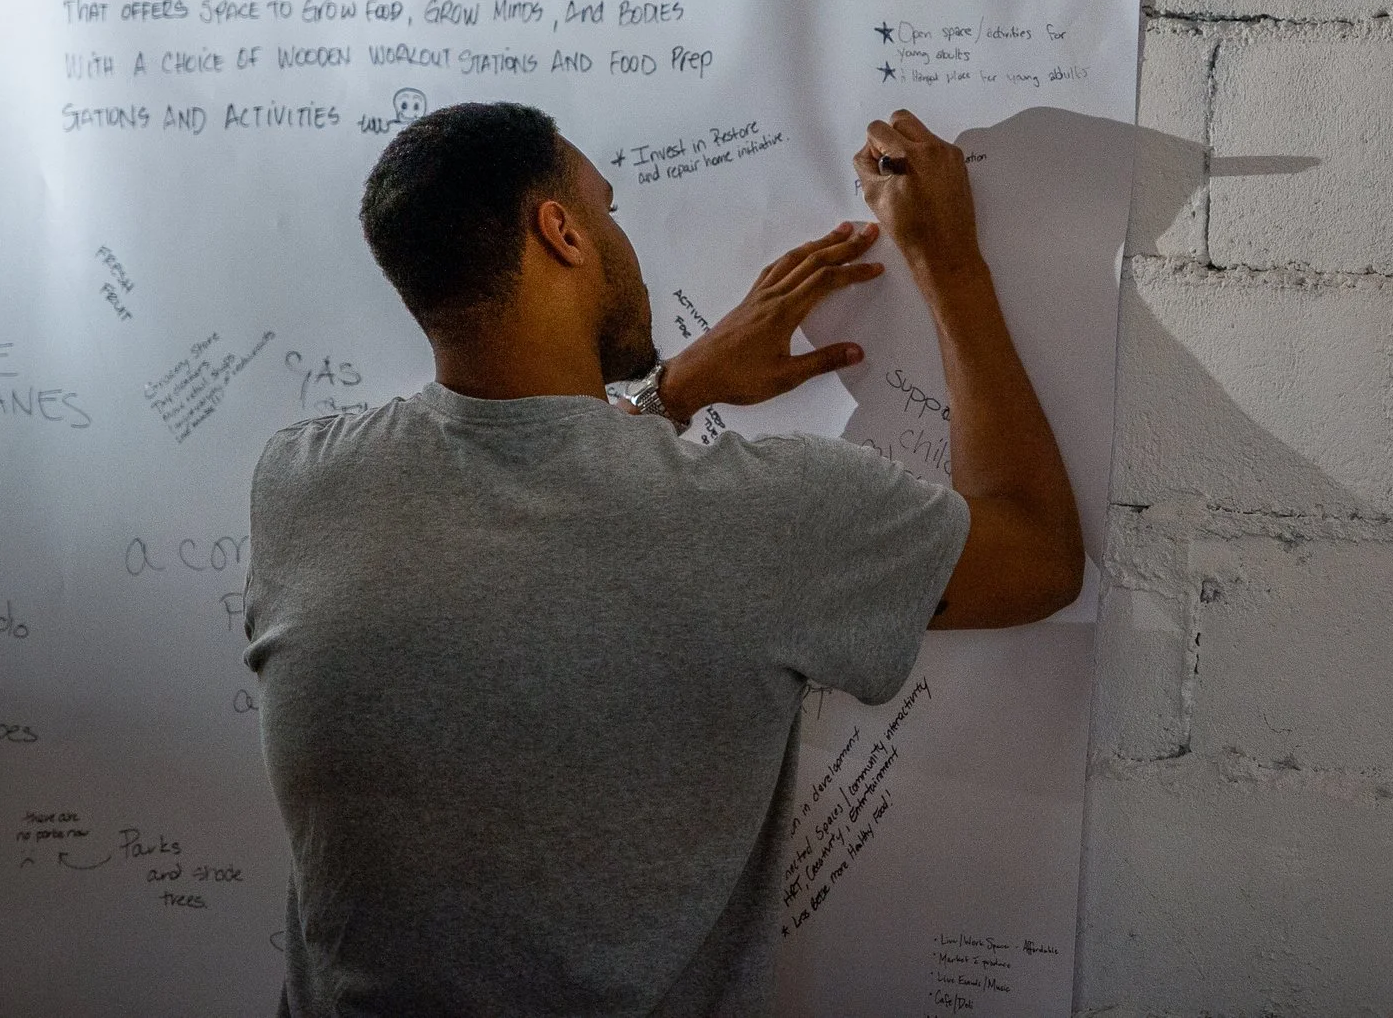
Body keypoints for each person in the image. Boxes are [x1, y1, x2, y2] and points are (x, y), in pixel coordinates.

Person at [242, 102, 1081, 1017]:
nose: (620, 233)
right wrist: (949, 264)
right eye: (609, 209)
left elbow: (525, 505)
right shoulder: (763, 517)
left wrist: (673, 390)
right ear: (562, 232)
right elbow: (1039, 552)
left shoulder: (300, 485)